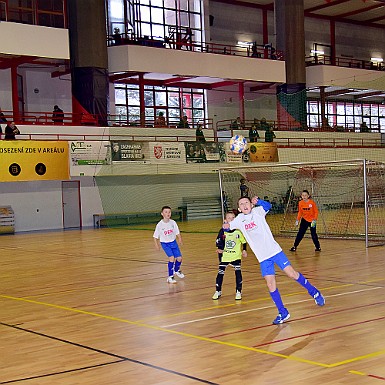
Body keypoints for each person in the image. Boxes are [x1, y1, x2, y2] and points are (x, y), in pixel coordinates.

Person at [223, 196, 325, 324]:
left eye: (247, 202)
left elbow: (268, 206)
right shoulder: (239, 220)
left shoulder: (258, 212)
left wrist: (259, 201)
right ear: (239, 208)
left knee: (292, 274)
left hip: (275, 252)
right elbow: (228, 227)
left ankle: (314, 292)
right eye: (241, 204)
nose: (244, 205)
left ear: (251, 204)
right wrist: (225, 226)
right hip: (263, 258)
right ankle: (283, 312)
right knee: (270, 285)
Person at [213, 211, 247, 300]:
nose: (231, 219)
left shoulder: (238, 231)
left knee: (238, 272)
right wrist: (220, 248)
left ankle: (238, 291)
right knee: (220, 273)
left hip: (236, 256)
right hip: (225, 256)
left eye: (233, 218)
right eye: (229, 218)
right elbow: (219, 241)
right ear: (225, 220)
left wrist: (244, 250)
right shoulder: (222, 231)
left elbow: (244, 241)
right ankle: (218, 291)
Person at [153, 205, 184, 284]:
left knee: (179, 258)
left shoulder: (173, 223)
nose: (168, 214)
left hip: (173, 242)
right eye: (166, 212)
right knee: (172, 258)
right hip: (165, 244)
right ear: (162, 214)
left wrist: (180, 239)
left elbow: (177, 232)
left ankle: (176, 270)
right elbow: (155, 236)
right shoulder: (160, 225)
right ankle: (170, 277)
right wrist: (156, 245)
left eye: (169, 212)